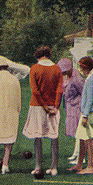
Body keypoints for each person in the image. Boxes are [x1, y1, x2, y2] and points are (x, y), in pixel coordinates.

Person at [22, 46, 64, 177]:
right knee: (54, 137)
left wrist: (45, 107)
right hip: (53, 106)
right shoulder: (57, 68)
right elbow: (60, 90)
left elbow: (35, 91)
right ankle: (54, 167)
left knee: (37, 137)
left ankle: (38, 166)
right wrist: (55, 107)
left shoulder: (34, 68)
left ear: (38, 55)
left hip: (37, 107)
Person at [69, 56, 93, 175]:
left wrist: (84, 115)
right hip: (90, 112)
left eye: (82, 68)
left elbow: (90, 99)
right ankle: (79, 165)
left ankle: (90, 166)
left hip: (90, 113)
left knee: (88, 139)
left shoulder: (91, 80)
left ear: (86, 68)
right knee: (82, 138)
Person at [57, 57, 85, 165]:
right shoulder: (66, 76)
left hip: (77, 107)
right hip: (70, 107)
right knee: (74, 131)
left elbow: (83, 92)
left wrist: (83, 108)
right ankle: (76, 153)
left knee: (79, 132)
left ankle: (81, 157)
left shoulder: (77, 77)